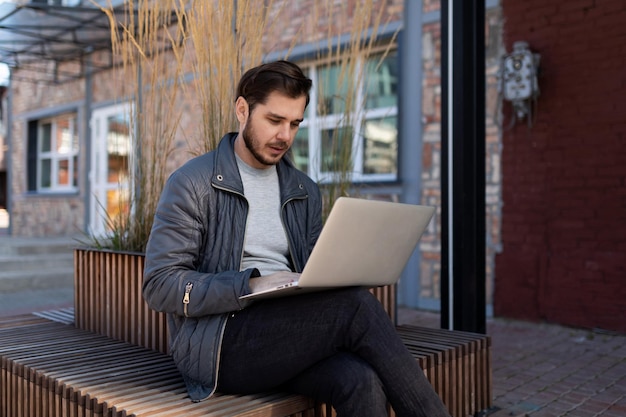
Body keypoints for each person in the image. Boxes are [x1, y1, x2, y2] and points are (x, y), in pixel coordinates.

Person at [143, 60, 450, 417]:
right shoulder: (192, 183)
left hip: (292, 333)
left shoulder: (304, 190)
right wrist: (251, 285)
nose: (285, 136)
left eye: (294, 124)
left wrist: (347, 268)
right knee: (356, 307)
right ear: (242, 110)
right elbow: (160, 285)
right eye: (274, 121)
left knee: (360, 379)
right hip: (220, 345)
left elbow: (316, 271)